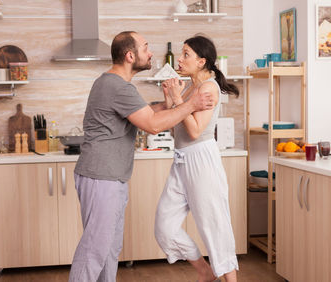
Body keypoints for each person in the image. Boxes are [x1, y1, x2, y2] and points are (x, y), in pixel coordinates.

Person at [68, 31, 215, 282]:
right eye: (145, 48)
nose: (150, 53)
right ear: (130, 55)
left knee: (109, 249)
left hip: (110, 178)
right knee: (95, 249)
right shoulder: (115, 85)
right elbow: (153, 124)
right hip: (102, 177)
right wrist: (191, 105)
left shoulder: (117, 84)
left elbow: (147, 111)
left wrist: (171, 101)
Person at [154, 35, 240, 282]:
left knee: (215, 228)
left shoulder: (208, 89)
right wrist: (172, 101)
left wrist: (179, 100)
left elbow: (194, 132)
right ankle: (205, 272)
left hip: (202, 162)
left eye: (186, 55)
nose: (179, 60)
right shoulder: (192, 88)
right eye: (180, 54)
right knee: (164, 227)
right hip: (181, 161)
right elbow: (178, 130)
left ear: (202, 61)